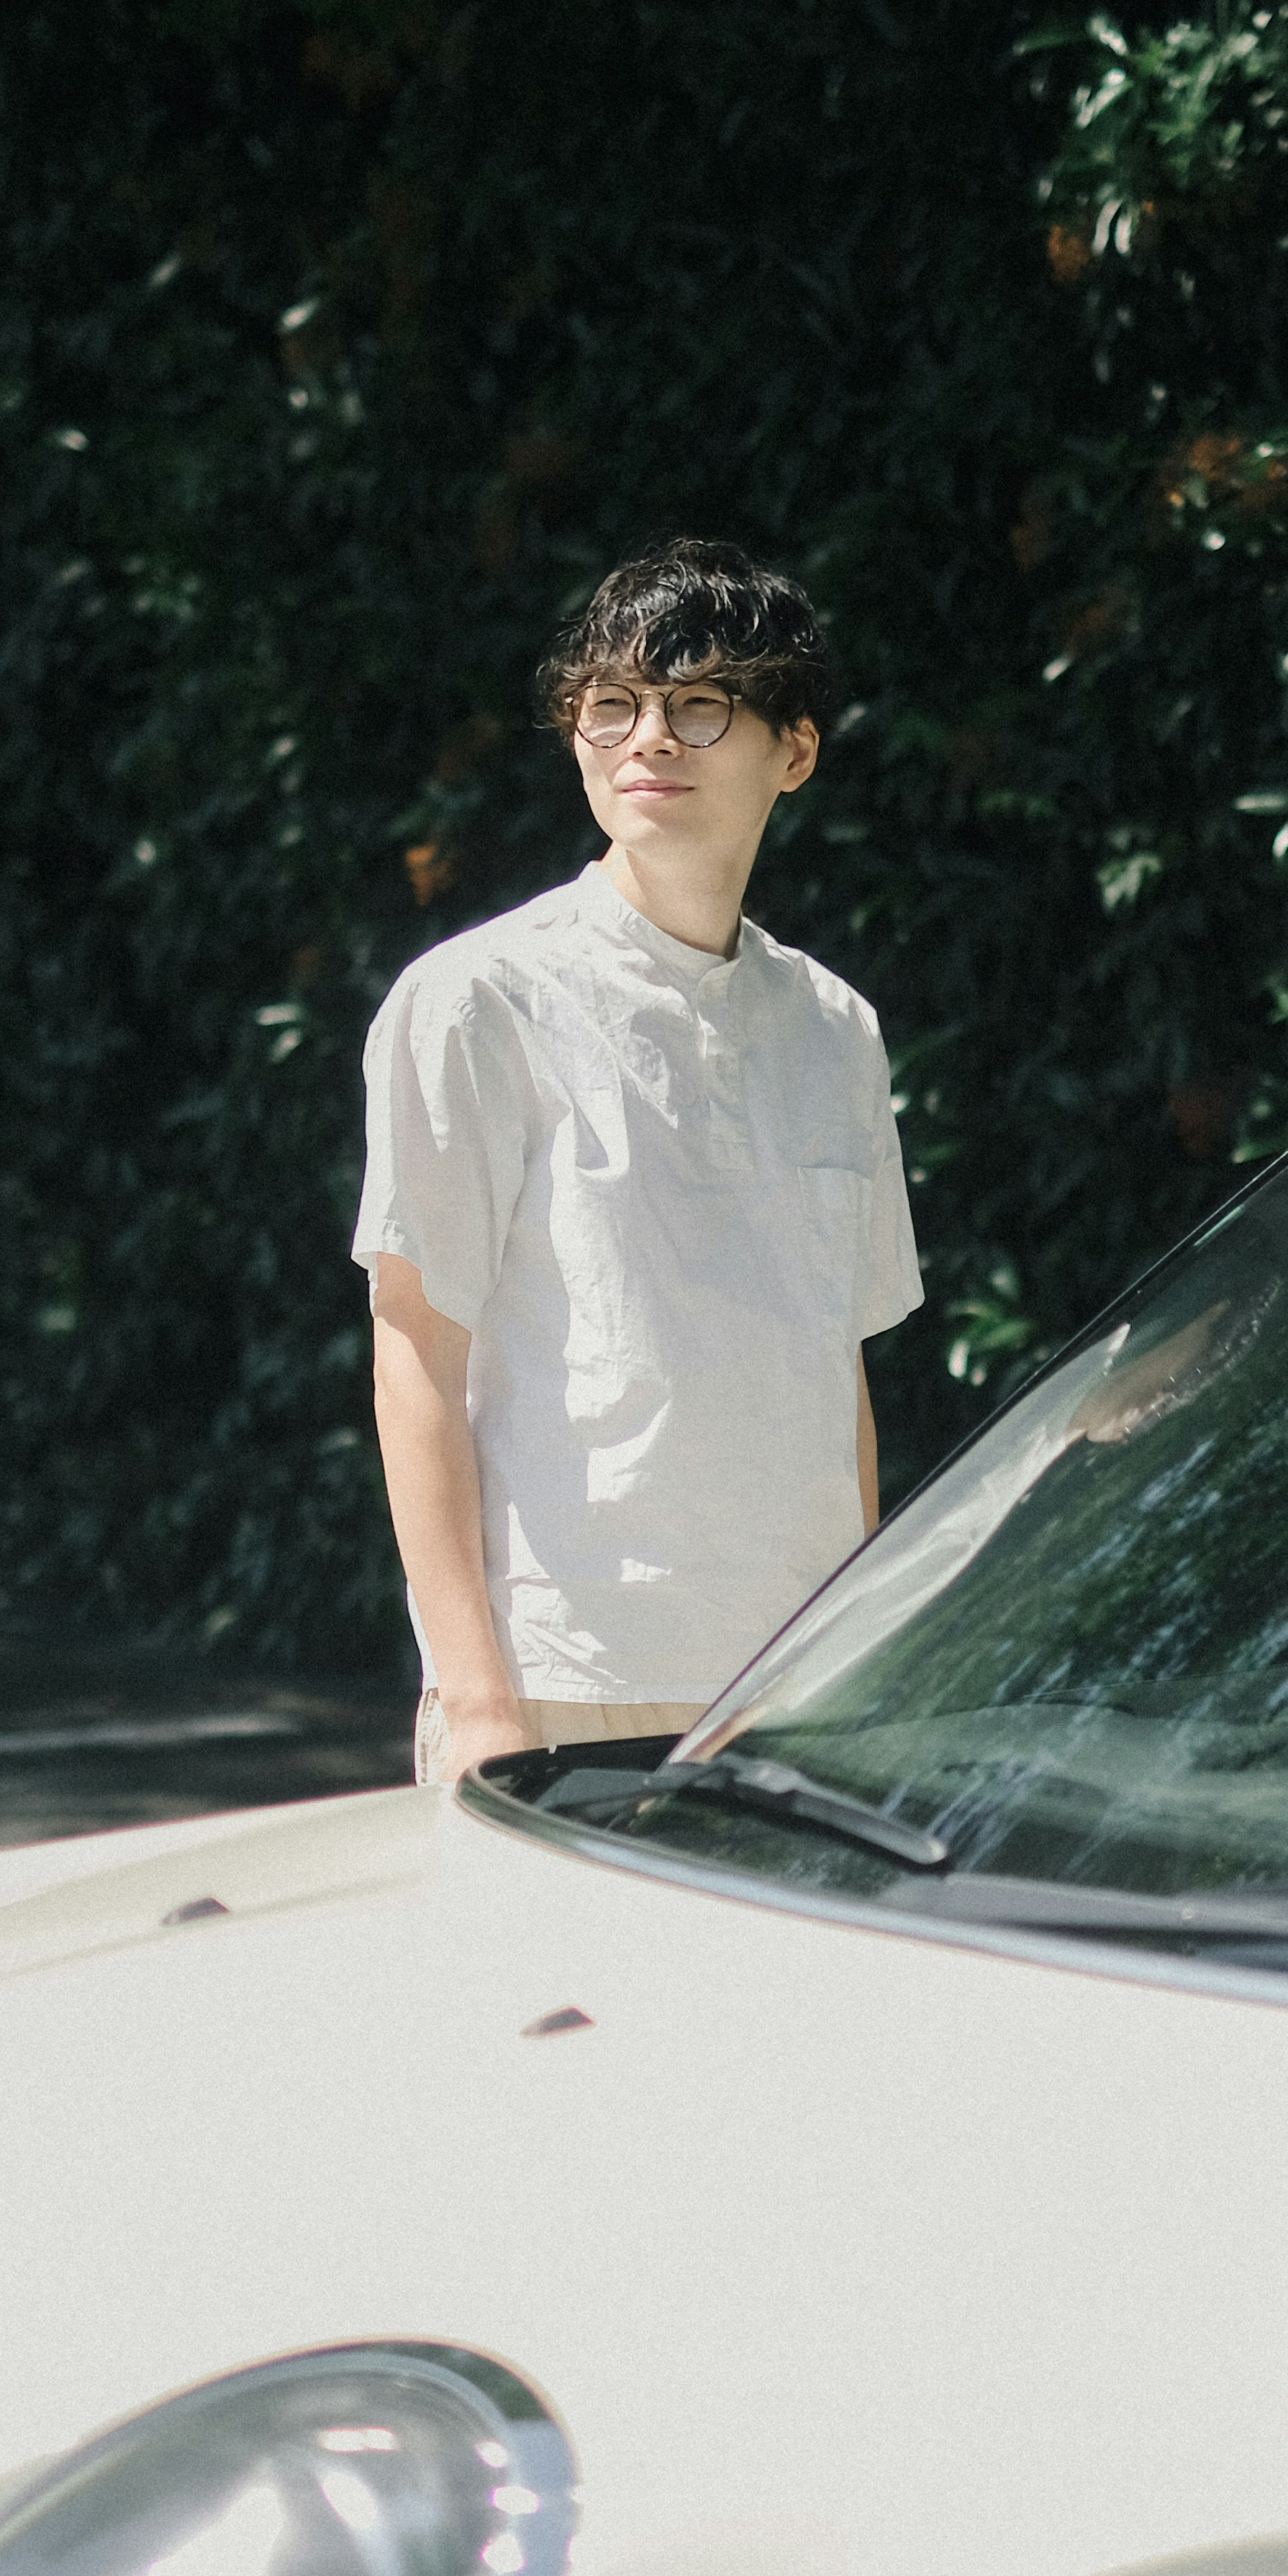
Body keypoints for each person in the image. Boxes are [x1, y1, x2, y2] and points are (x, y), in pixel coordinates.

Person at [354, 536, 924, 1784]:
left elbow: (842, 1384)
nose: (646, 738)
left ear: (798, 750)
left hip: (794, 1691)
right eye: (612, 706)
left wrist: (858, 1666)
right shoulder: (476, 1001)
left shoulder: (837, 1029)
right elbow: (415, 1356)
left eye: (699, 704)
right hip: (568, 1676)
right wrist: (481, 1702)